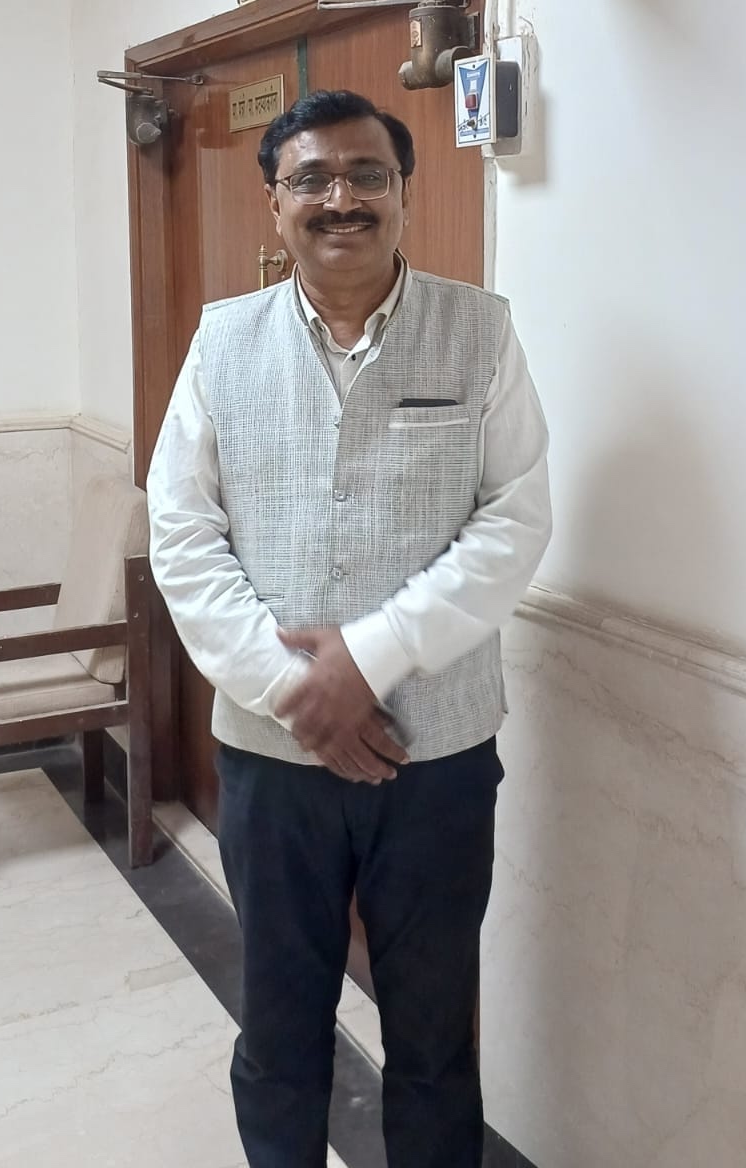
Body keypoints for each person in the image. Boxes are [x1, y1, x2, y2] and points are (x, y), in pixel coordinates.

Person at [147, 89, 551, 1168]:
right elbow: (182, 533)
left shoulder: (480, 331)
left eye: (368, 175)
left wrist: (369, 658)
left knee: (434, 1037)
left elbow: (515, 520)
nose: (342, 199)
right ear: (274, 201)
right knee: (280, 1030)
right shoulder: (223, 343)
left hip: (439, 758)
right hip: (271, 761)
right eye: (312, 178)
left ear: (403, 193)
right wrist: (296, 689)